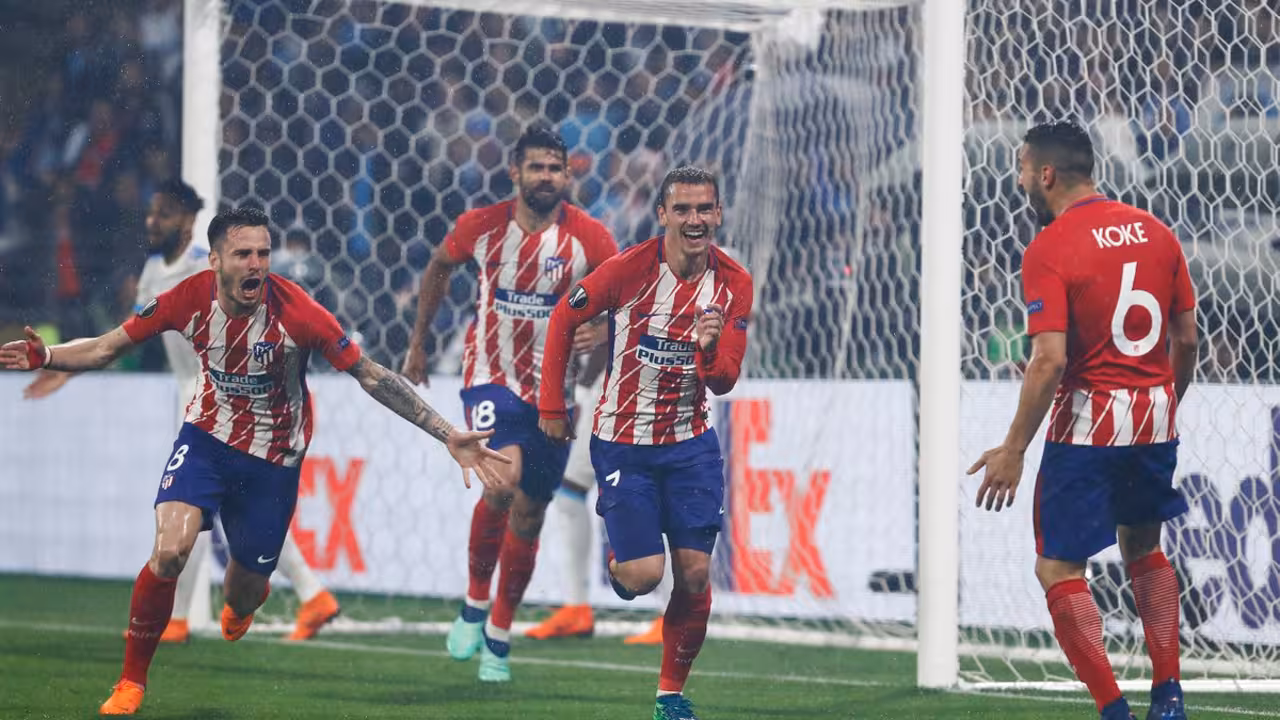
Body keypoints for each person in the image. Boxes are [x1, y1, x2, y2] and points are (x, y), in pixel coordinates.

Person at [0, 206, 511, 716]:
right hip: (207, 439)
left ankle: (245, 599)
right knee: (170, 551)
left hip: (273, 462)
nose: (257, 264)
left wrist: (447, 433)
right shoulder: (186, 298)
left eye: (263, 253)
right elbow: (107, 347)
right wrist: (48, 357)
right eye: (243, 254)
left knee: (242, 596)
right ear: (215, 260)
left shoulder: (298, 312)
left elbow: (371, 375)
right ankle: (130, 682)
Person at [23, 181, 343, 644]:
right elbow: (121, 338)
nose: (153, 221)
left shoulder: (206, 266)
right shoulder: (155, 268)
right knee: (203, 517)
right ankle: (309, 593)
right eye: (152, 212)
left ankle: (185, 614)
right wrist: (62, 367)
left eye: (166, 213)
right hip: (194, 397)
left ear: (190, 221)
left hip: (220, 400)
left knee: (203, 514)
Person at [967, 120, 1196, 720]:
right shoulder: (1158, 232)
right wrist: (1164, 402)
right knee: (1144, 547)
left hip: (1089, 424)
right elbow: (1188, 339)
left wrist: (1013, 449)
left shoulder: (1050, 247)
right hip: (1153, 419)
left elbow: (1049, 360)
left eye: (1022, 169)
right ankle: (1169, 696)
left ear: (1046, 174)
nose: (1019, 180)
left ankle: (1114, 710)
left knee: (1058, 567)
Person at [402, 124, 618, 682]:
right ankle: (475, 602)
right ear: (515, 172)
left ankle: (498, 632)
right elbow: (438, 267)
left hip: (553, 393)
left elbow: (626, 294)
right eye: (536, 167)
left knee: (530, 512)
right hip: (490, 376)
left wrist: (602, 327)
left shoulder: (590, 238)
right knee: (501, 481)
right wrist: (419, 342)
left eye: (555, 168)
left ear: (567, 176)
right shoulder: (481, 226)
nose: (546, 176)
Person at [538, 165, 753, 720]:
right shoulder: (629, 269)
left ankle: (669, 696)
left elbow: (724, 381)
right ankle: (620, 567)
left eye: (704, 209)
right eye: (682, 209)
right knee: (642, 576)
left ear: (718, 214)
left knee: (696, 574)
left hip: (690, 444)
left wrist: (708, 350)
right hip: (623, 442)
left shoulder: (734, 283)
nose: (694, 220)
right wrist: (552, 406)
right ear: (662, 215)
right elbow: (564, 316)